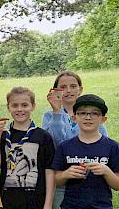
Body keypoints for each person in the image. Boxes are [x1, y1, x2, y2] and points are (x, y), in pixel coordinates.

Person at [41, 71, 108, 209]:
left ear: (80, 89)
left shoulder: (91, 116)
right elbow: (57, 143)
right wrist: (57, 113)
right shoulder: (49, 116)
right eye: (63, 87)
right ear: (55, 91)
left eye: (73, 86)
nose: (68, 90)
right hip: (61, 179)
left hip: (89, 181)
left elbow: (103, 145)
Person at [51, 94, 119, 209]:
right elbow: (57, 179)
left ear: (103, 119)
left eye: (95, 113)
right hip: (71, 206)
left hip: (102, 206)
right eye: (82, 113)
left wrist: (106, 171)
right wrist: (66, 174)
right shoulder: (64, 147)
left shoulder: (112, 146)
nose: (88, 117)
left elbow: (118, 185)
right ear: (74, 117)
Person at [0, 87, 55, 209]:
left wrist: (48, 204)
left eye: (24, 105)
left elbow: (50, 172)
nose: (20, 109)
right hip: (7, 201)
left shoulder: (43, 136)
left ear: (33, 106)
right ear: (8, 107)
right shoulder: (4, 135)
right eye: (15, 105)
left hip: (36, 201)